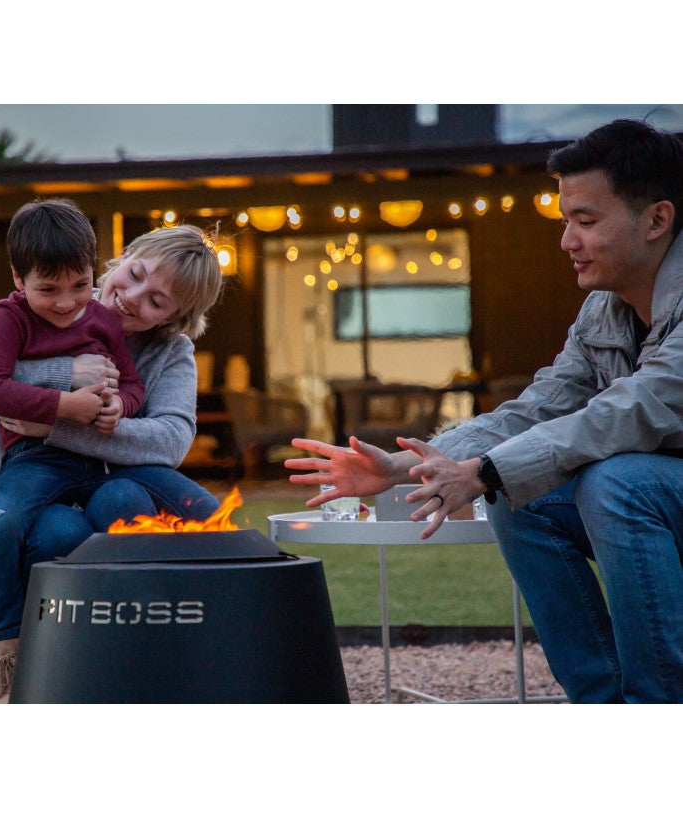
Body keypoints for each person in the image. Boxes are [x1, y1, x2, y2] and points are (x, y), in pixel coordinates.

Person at [286, 118, 683, 703]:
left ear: (656, 220)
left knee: (613, 483)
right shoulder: (605, 309)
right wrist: (402, 469)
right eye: (566, 220)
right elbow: (538, 407)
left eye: (586, 221)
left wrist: (485, 470)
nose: (566, 241)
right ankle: (601, 703)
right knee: (519, 496)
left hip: (647, 490)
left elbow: (632, 409)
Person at [0, 219, 224, 702]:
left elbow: (170, 441)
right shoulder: (43, 299)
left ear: (174, 317)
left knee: (118, 501)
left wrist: (57, 424)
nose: (132, 296)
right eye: (137, 273)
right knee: (62, 534)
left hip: (100, 514)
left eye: (157, 301)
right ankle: (43, 675)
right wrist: (61, 375)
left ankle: (106, 679)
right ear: (124, 255)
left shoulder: (170, 352)